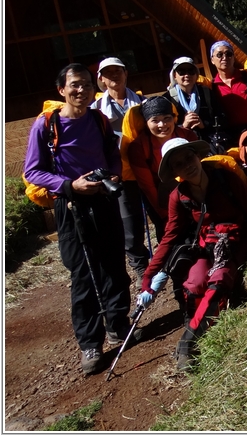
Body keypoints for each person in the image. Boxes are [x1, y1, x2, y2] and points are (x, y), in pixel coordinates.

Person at [136, 138, 247, 371]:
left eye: (189, 158)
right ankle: (199, 324)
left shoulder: (225, 179)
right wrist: (149, 274)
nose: (188, 165)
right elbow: (169, 237)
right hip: (207, 243)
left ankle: (188, 344)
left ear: (197, 155)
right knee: (194, 282)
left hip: (237, 239)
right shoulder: (178, 196)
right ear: (175, 172)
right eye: (179, 164)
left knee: (219, 280)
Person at [24, 63, 139, 375]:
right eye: (75, 85)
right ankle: (90, 343)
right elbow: (32, 171)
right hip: (70, 205)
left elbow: (112, 154)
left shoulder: (99, 120)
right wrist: (69, 185)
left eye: (87, 84)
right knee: (83, 273)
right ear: (62, 90)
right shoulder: (46, 125)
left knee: (114, 263)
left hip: (103, 199)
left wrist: (112, 172)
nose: (82, 90)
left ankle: (118, 324)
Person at [90, 57, 149, 285]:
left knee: (162, 214)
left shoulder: (143, 103)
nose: (114, 76)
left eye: (118, 71)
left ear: (126, 74)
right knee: (130, 224)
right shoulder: (94, 111)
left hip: (146, 168)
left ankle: (169, 261)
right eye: (108, 73)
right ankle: (141, 268)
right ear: (101, 80)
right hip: (120, 174)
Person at [127, 96, 197, 243]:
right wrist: (165, 214)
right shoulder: (138, 147)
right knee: (169, 232)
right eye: (155, 120)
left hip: (191, 185)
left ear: (174, 118)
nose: (162, 124)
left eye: (167, 118)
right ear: (146, 123)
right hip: (160, 193)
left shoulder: (187, 135)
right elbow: (147, 186)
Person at [165, 56, 226, 150]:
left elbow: (221, 117)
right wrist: (183, 126)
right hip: (181, 145)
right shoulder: (167, 98)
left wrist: (204, 124)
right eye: (181, 71)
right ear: (174, 75)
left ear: (196, 74)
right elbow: (164, 127)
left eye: (191, 71)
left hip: (207, 143)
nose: (187, 75)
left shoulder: (206, 92)